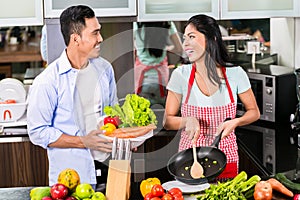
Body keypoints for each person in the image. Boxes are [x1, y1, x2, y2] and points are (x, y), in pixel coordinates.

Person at [27, 5, 118, 188]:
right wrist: (83, 142)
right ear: (75, 39)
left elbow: (113, 112)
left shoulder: (105, 69)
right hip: (71, 179)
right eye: (95, 33)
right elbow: (37, 131)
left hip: (108, 170)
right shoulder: (48, 81)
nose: (101, 39)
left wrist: (126, 136)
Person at [163, 14, 260, 179]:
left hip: (226, 158)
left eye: (192, 37)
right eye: (184, 38)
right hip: (189, 160)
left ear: (212, 39)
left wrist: (236, 121)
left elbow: (254, 112)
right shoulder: (181, 75)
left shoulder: (235, 74)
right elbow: (167, 121)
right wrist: (187, 120)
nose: (185, 44)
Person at [133, 21, 184, 106]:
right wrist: (167, 48)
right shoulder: (167, 23)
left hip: (142, 80)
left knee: (142, 114)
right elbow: (179, 49)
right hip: (161, 81)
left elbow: (133, 47)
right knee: (161, 113)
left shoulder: (137, 23)